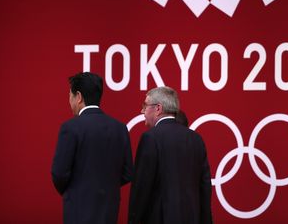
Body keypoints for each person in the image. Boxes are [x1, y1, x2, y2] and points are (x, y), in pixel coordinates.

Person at [51, 72, 133, 224]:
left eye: (70, 95)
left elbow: (59, 173)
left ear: (79, 96)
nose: (69, 100)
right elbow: (127, 172)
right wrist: (106, 186)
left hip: (78, 210)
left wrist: (75, 191)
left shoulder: (70, 127)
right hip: (109, 210)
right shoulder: (120, 128)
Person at [128, 86, 213, 224]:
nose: (142, 111)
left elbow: (141, 189)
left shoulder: (150, 138)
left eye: (145, 105)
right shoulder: (196, 139)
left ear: (158, 108)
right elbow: (204, 186)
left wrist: (133, 220)